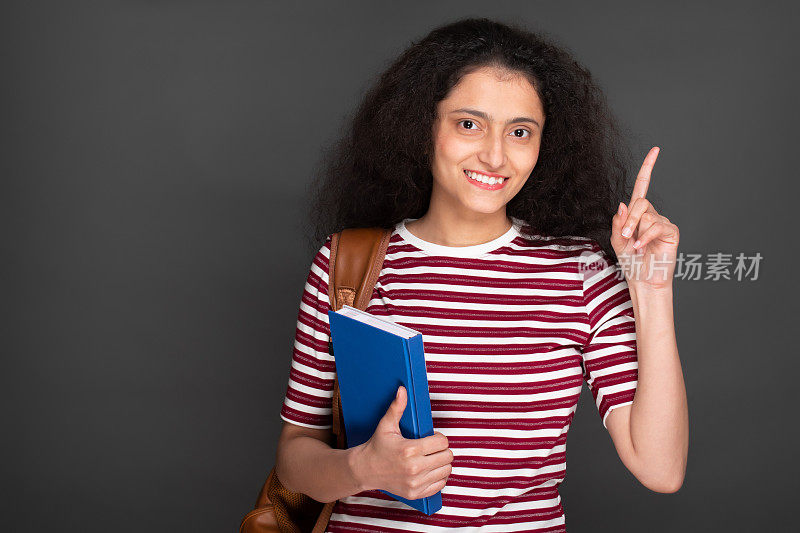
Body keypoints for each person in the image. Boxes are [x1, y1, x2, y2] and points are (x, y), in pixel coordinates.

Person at [274, 17, 688, 532]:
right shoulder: (346, 265)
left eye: (520, 132)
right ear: (424, 126)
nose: (495, 155)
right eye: (469, 124)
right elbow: (295, 456)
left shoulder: (580, 273)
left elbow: (661, 468)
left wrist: (650, 286)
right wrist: (363, 468)